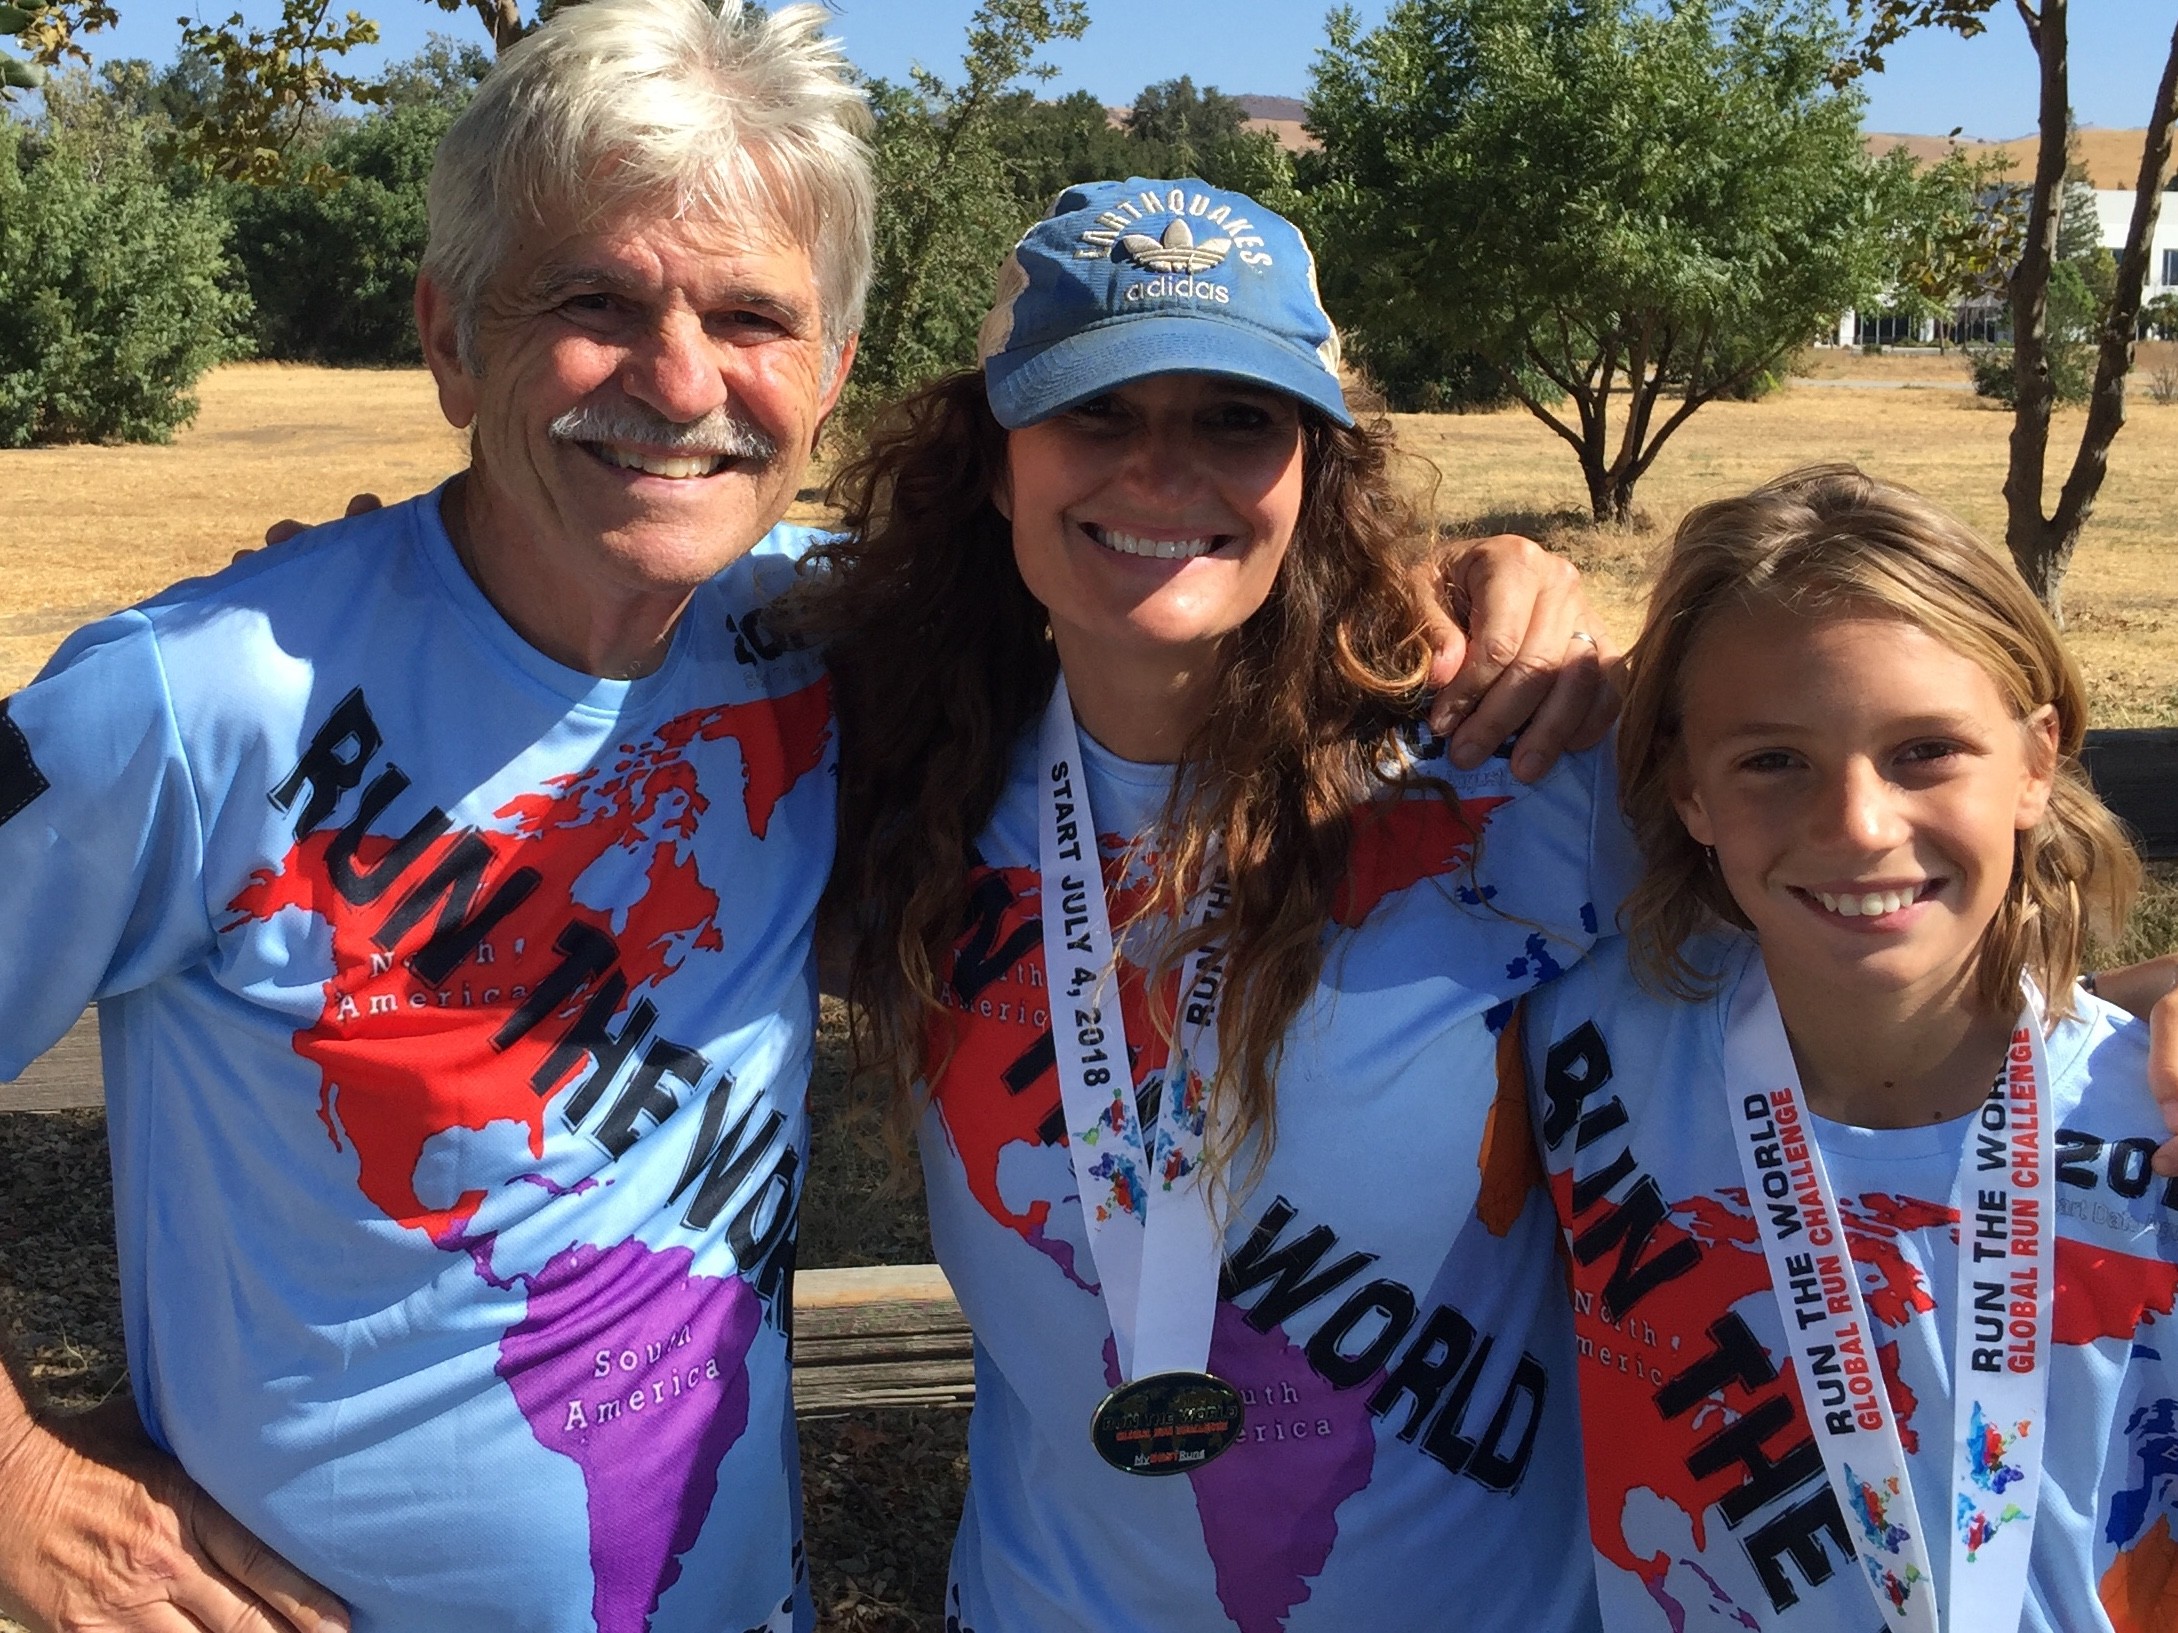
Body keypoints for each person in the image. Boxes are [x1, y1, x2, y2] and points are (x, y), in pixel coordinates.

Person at [0, 17, 1614, 1633]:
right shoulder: (197, 696)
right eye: (591, 304)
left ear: (828, 372)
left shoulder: (825, 656)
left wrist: (1483, 585)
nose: (678, 382)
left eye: (751, 316)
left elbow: (1170, 575)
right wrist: (22, 1485)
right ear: (448, 339)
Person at [788, 177, 1632, 1633]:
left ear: (1314, 468)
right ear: (994, 463)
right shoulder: (878, 775)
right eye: (1095, 412)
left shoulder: (1511, 771)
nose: (1161, 471)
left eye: (1235, 420)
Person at [1525, 467, 2178, 1631]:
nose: (1859, 824)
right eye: (1773, 761)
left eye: (1926, 749)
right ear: (1688, 790)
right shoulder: (1583, 1049)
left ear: (2036, 764)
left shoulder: (2154, 1124)